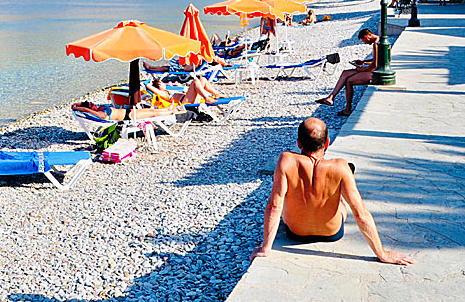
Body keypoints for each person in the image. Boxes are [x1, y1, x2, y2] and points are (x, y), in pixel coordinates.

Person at [250, 118, 415, 266]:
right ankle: (344, 179)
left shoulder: (286, 160)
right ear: (327, 142)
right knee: (342, 201)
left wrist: (265, 248)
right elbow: (360, 213)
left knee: (287, 194)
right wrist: (382, 254)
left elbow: (274, 206)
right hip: (331, 233)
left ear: (299, 143)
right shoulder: (340, 166)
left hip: (296, 233)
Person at [315, 28, 378, 116]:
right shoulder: (378, 41)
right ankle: (331, 97)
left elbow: (375, 65)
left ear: (367, 37)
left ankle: (347, 109)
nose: (365, 43)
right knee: (345, 73)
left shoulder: (376, 44)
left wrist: (362, 69)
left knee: (349, 81)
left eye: (364, 41)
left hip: (376, 73)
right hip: (375, 69)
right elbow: (377, 59)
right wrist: (363, 62)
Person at [71, 99, 186, 121]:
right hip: (128, 117)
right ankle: (170, 111)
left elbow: (74, 105)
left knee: (151, 111)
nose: (94, 105)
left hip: (128, 112)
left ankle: (168, 109)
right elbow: (102, 117)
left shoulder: (99, 108)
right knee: (153, 113)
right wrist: (85, 109)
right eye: (92, 105)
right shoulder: (100, 113)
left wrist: (78, 105)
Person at [147, 76, 222, 106]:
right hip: (186, 101)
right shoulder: (162, 93)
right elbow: (148, 86)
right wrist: (150, 82)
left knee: (202, 79)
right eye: (162, 82)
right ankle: (207, 98)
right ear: (159, 84)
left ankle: (216, 94)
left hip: (189, 98)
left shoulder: (167, 90)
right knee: (195, 81)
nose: (164, 83)